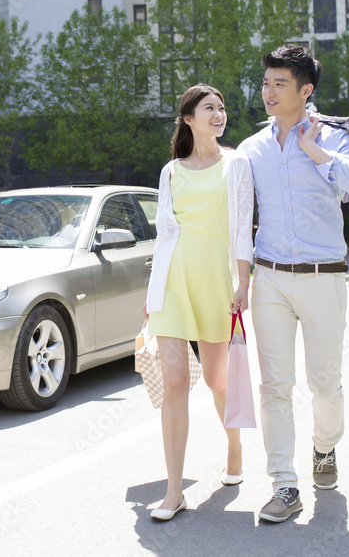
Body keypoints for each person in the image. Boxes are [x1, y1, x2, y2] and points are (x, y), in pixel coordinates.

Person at [237, 44, 349, 523]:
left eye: (279, 84)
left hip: (323, 277)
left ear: (305, 90)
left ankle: (324, 448)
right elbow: (238, 216)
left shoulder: (333, 137)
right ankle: (284, 485)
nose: (268, 92)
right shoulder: (251, 149)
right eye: (266, 82)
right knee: (273, 384)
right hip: (269, 278)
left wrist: (315, 151)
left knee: (324, 384)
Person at [144, 83, 255, 521]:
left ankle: (234, 448)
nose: (218, 113)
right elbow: (164, 232)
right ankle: (175, 490)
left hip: (215, 280)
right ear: (188, 118)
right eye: (209, 107)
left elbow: (243, 223)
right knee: (174, 382)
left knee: (217, 381)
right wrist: (152, 295)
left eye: (222, 108)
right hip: (172, 281)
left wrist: (242, 282)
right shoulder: (171, 170)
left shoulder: (237, 164)